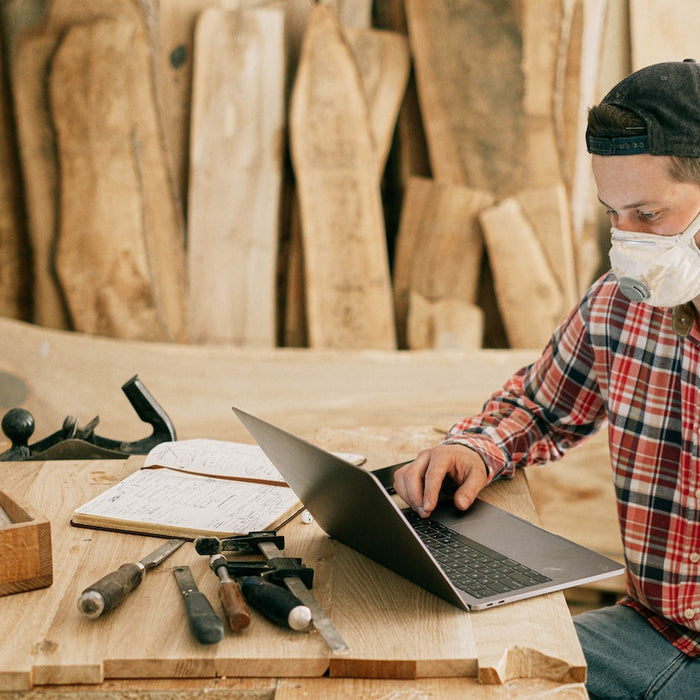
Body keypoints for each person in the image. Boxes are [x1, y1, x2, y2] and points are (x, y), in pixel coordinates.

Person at [393, 59, 700, 699]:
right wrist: (472, 448)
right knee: (452, 674)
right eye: (611, 214)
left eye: (647, 215)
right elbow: (539, 407)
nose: (626, 241)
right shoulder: (623, 305)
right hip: (653, 629)